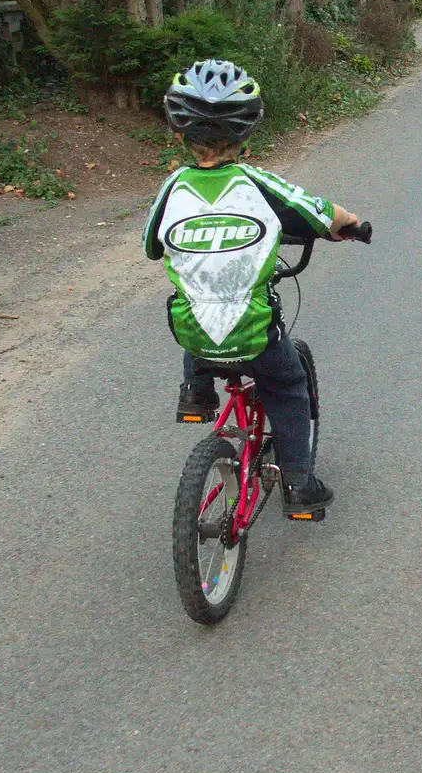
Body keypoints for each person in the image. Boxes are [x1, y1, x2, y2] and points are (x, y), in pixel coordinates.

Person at [143, 59, 363, 516]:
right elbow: (317, 211)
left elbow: (151, 245)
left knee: (197, 296)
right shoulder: (256, 183)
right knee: (288, 384)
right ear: (246, 137)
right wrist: (351, 225)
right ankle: (299, 487)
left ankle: (196, 391)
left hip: (191, 334)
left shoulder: (171, 189)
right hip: (255, 335)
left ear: (180, 136)